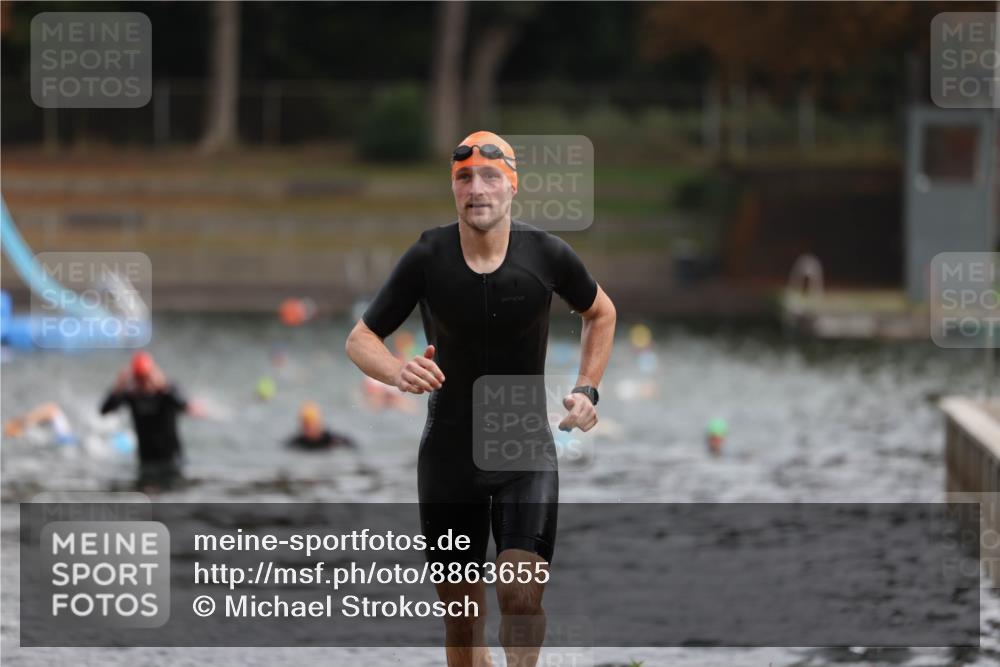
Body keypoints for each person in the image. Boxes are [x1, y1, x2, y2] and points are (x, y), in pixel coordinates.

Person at [345, 131, 616, 667]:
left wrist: (588, 387)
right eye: (464, 178)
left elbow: (600, 313)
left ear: (512, 187)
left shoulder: (547, 254)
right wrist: (399, 372)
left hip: (522, 448)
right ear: (454, 189)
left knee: (519, 594)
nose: (478, 188)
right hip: (448, 454)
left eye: (491, 177)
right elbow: (360, 339)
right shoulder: (428, 255)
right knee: (464, 623)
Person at [99, 351, 202, 492]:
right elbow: (104, 410)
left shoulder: (167, 391)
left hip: (172, 460)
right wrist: (118, 387)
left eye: (145, 378)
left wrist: (163, 386)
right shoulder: (131, 395)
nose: (143, 383)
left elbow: (188, 407)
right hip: (145, 460)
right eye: (139, 379)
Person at [286, 401, 355, 450]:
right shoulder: (297, 443)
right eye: (305, 424)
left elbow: (351, 445)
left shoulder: (332, 441)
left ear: (319, 423)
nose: (309, 428)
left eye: (311, 423)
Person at [4, 402, 78, 446]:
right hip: (60, 435)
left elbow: (52, 408)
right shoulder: (27, 424)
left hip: (62, 435)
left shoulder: (28, 421)